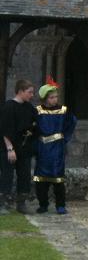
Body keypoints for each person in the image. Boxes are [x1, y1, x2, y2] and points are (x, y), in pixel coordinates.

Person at [32, 77, 77, 215]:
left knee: (58, 178)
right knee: (41, 179)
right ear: (45, 98)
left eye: (56, 97)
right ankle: (43, 204)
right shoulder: (37, 111)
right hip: (43, 148)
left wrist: (63, 138)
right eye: (51, 97)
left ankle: (60, 205)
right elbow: (32, 128)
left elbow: (72, 122)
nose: (54, 100)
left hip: (57, 148)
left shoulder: (63, 110)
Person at [1, 79, 36, 214]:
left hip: (24, 148)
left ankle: (21, 203)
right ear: (20, 91)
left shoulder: (29, 108)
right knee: (7, 175)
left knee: (24, 175)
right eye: (29, 92)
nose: (32, 95)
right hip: (8, 147)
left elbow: (35, 123)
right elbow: (5, 130)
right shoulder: (9, 107)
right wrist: (10, 149)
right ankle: (3, 203)